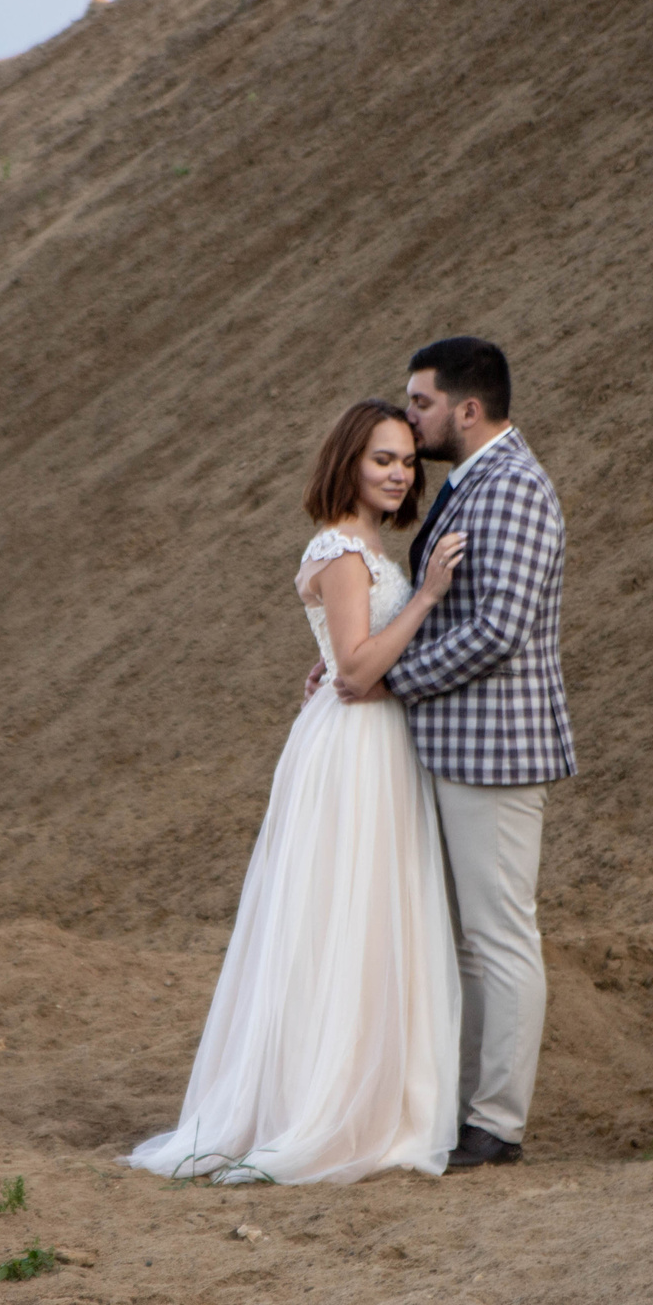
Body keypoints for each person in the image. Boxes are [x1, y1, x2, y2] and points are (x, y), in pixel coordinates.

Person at [127, 400, 469, 1184]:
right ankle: (324, 1102)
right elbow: (353, 668)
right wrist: (425, 596)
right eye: (382, 458)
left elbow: (347, 659)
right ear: (348, 460)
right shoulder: (343, 547)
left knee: (365, 915)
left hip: (373, 742)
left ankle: (367, 1094)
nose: (398, 473)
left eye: (408, 461)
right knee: (341, 915)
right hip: (354, 747)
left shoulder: (366, 544)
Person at [330, 337, 573, 1170]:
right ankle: (458, 1107)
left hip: (496, 752)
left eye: (422, 403)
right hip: (454, 744)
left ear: (468, 410)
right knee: (467, 941)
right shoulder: (474, 482)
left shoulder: (514, 488)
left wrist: (394, 682)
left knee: (501, 938)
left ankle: (495, 1126)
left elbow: (497, 630)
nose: (412, 416)